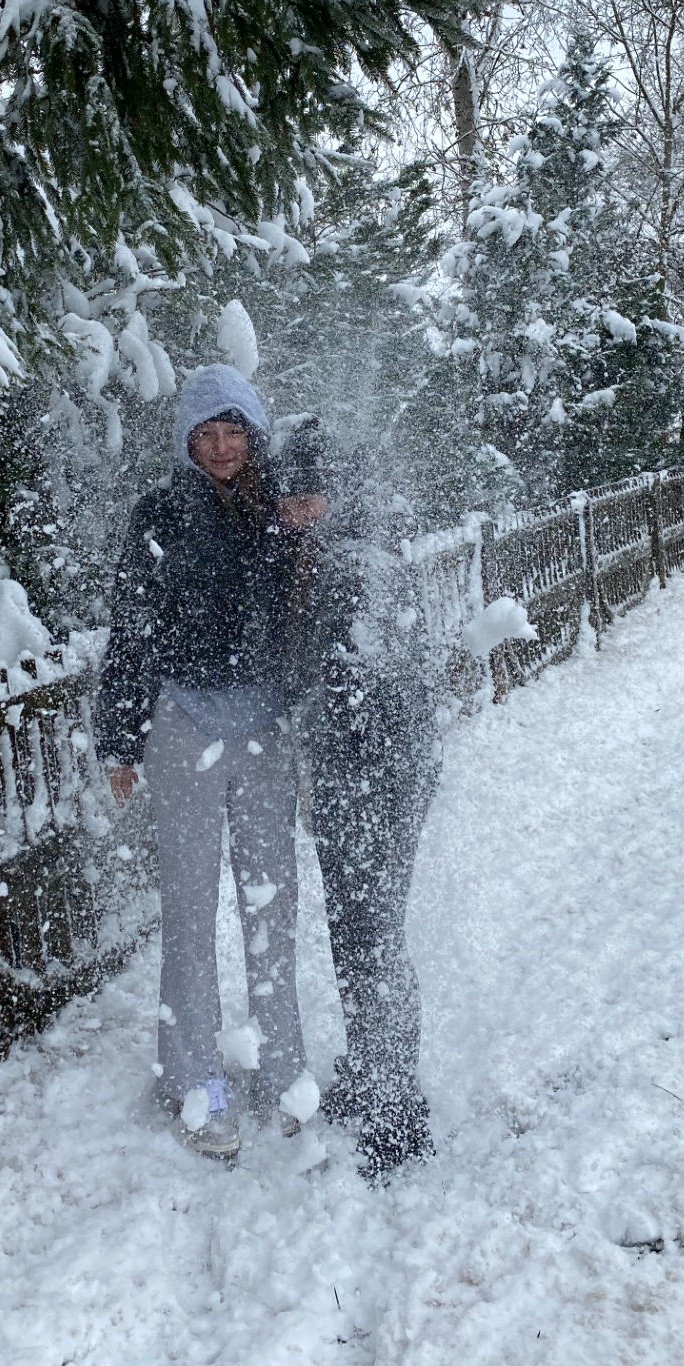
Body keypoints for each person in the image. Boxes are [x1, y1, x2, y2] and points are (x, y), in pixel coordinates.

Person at [94, 364, 314, 1160]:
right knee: (190, 913)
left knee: (272, 906)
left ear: (256, 436)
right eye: (207, 435)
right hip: (183, 723)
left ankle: (283, 1074)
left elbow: (319, 593)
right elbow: (130, 625)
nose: (222, 448)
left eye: (235, 433)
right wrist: (120, 738)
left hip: (263, 728)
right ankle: (198, 1086)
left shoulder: (283, 505)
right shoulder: (158, 514)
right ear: (186, 442)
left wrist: (312, 512)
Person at [280, 417, 442, 1180]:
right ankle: (374, 1072)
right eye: (289, 499)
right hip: (369, 775)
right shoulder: (343, 552)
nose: (297, 511)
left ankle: (396, 1107)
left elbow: (365, 680)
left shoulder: (352, 566)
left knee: (371, 933)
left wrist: (333, 767)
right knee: (362, 930)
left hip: (376, 778)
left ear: (336, 496)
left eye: (310, 497)